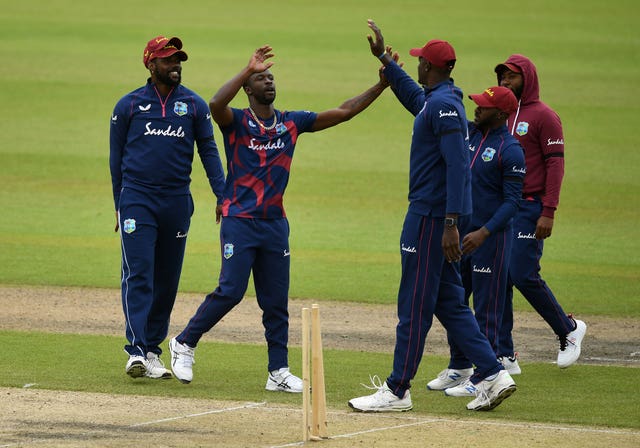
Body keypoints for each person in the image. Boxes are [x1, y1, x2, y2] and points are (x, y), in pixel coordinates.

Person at [168, 45, 390, 391]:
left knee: (275, 301)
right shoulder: (237, 122)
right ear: (248, 87)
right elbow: (214, 105)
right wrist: (246, 69)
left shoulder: (291, 122)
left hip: (274, 224)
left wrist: (380, 86)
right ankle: (184, 343)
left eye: (270, 76)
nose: (268, 81)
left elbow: (344, 112)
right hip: (239, 220)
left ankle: (278, 372)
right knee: (231, 290)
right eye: (260, 78)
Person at [348, 20, 516, 412]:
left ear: (433, 68)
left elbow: (459, 168)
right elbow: (413, 98)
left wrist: (451, 224)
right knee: (450, 303)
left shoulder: (442, 106)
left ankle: (397, 390)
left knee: (413, 306)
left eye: (421, 60)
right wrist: (386, 64)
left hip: (430, 220)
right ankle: (493, 373)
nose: (418, 65)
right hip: (432, 219)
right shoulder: (437, 100)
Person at [109, 36, 226, 379]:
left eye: (178, 60)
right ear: (151, 64)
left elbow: (208, 150)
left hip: (176, 200)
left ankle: (154, 351)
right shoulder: (128, 106)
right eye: (168, 60)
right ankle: (135, 350)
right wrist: (119, 204)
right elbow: (116, 159)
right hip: (137, 199)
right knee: (139, 272)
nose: (175, 65)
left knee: (167, 279)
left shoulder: (193, 105)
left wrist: (222, 194)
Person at [426, 86, 526, 396]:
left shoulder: (510, 150)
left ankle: (488, 373)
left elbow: (512, 203)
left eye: (484, 106)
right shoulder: (468, 134)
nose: (477, 109)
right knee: (455, 303)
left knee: (486, 310)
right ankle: (460, 367)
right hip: (460, 237)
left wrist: (484, 233)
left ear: (500, 114)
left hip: (490, 241)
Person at [495, 55, 586, 373]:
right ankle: (504, 354)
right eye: (502, 76)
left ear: (527, 79)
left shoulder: (545, 116)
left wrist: (548, 211)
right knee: (500, 278)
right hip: (503, 207)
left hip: (531, 206)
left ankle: (569, 330)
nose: (506, 81)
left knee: (522, 273)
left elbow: (555, 164)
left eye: (512, 77)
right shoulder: (502, 114)